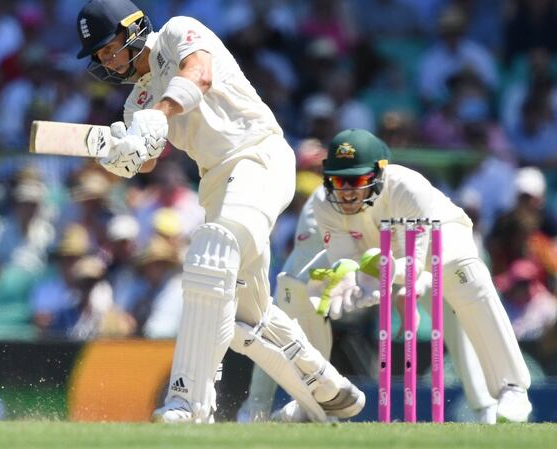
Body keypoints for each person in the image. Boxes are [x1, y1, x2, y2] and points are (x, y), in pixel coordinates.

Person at [75, 0, 364, 423]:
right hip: (217, 184)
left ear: (134, 30)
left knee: (211, 253)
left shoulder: (177, 33)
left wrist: (157, 116)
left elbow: (200, 74)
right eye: (99, 56)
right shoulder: (137, 101)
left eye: (109, 47)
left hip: (257, 156)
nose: (107, 60)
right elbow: (149, 158)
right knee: (249, 319)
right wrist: (121, 157)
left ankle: (188, 403)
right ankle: (328, 389)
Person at [287, 128, 531, 422]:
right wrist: (356, 283)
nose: (347, 191)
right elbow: (347, 261)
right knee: (296, 285)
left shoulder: (407, 187)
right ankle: (305, 399)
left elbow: (414, 266)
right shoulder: (324, 204)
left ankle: (512, 387)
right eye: (339, 180)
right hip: (378, 250)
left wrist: (379, 276)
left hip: (440, 235)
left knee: (468, 275)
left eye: (357, 180)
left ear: (379, 173)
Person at [238, 184, 499, 424]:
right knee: (291, 297)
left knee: (445, 298)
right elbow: (295, 289)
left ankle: (484, 404)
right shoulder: (320, 209)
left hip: (387, 251)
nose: (349, 192)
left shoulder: (409, 205)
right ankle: (258, 407)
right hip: (335, 256)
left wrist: (412, 288)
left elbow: (428, 270)